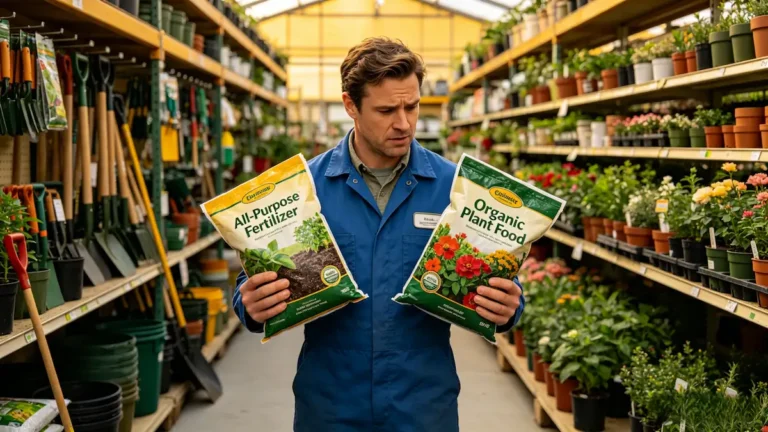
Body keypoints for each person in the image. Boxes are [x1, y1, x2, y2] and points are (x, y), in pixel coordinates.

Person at [233, 37, 525, 431]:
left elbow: (501, 282)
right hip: (330, 406)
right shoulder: (305, 189)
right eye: (387, 110)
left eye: (412, 106)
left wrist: (508, 306)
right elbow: (252, 283)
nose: (404, 123)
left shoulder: (454, 189)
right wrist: (249, 303)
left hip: (422, 408)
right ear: (350, 105)